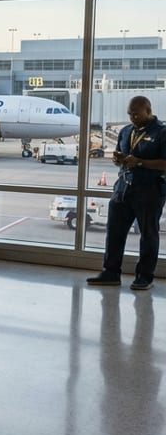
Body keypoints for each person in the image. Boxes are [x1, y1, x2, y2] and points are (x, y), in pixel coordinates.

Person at [88, 96, 166, 290]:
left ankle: (144, 276)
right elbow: (121, 155)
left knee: (148, 234)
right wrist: (118, 159)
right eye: (130, 114)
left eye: (137, 114)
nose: (133, 118)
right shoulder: (125, 131)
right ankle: (111, 272)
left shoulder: (162, 132)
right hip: (123, 188)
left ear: (148, 111)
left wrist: (139, 162)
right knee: (114, 232)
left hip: (149, 190)